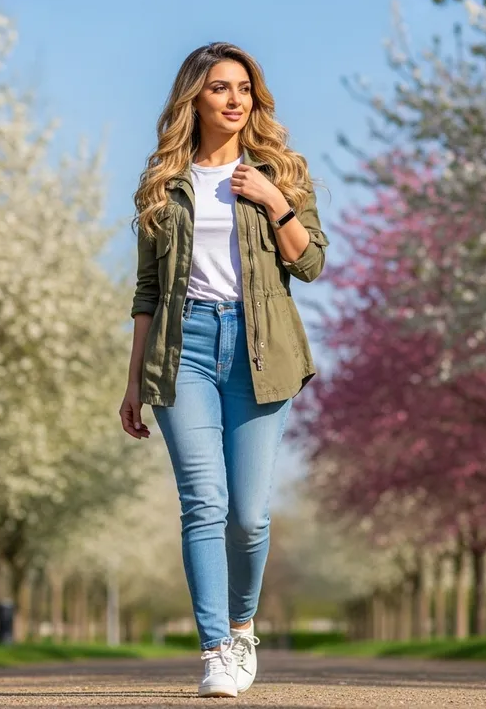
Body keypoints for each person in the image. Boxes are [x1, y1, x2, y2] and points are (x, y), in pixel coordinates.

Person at [119, 41, 329, 698]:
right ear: (195, 98)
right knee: (203, 505)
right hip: (184, 350)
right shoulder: (163, 183)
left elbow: (312, 262)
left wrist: (273, 200)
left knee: (250, 515)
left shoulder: (280, 171)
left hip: (260, 349)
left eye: (244, 88)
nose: (234, 99)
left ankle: (242, 631)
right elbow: (148, 293)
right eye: (219, 88)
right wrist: (133, 383)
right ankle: (214, 651)